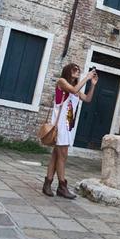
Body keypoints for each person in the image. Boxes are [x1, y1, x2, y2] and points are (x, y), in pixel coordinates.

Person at [42, 62, 98, 199]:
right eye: (75, 69)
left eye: (79, 70)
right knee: (63, 155)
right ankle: (62, 186)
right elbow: (72, 91)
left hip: (68, 126)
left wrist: (93, 84)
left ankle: (47, 183)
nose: (77, 71)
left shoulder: (76, 88)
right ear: (68, 71)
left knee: (56, 155)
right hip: (60, 124)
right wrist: (87, 76)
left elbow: (87, 99)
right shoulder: (62, 82)